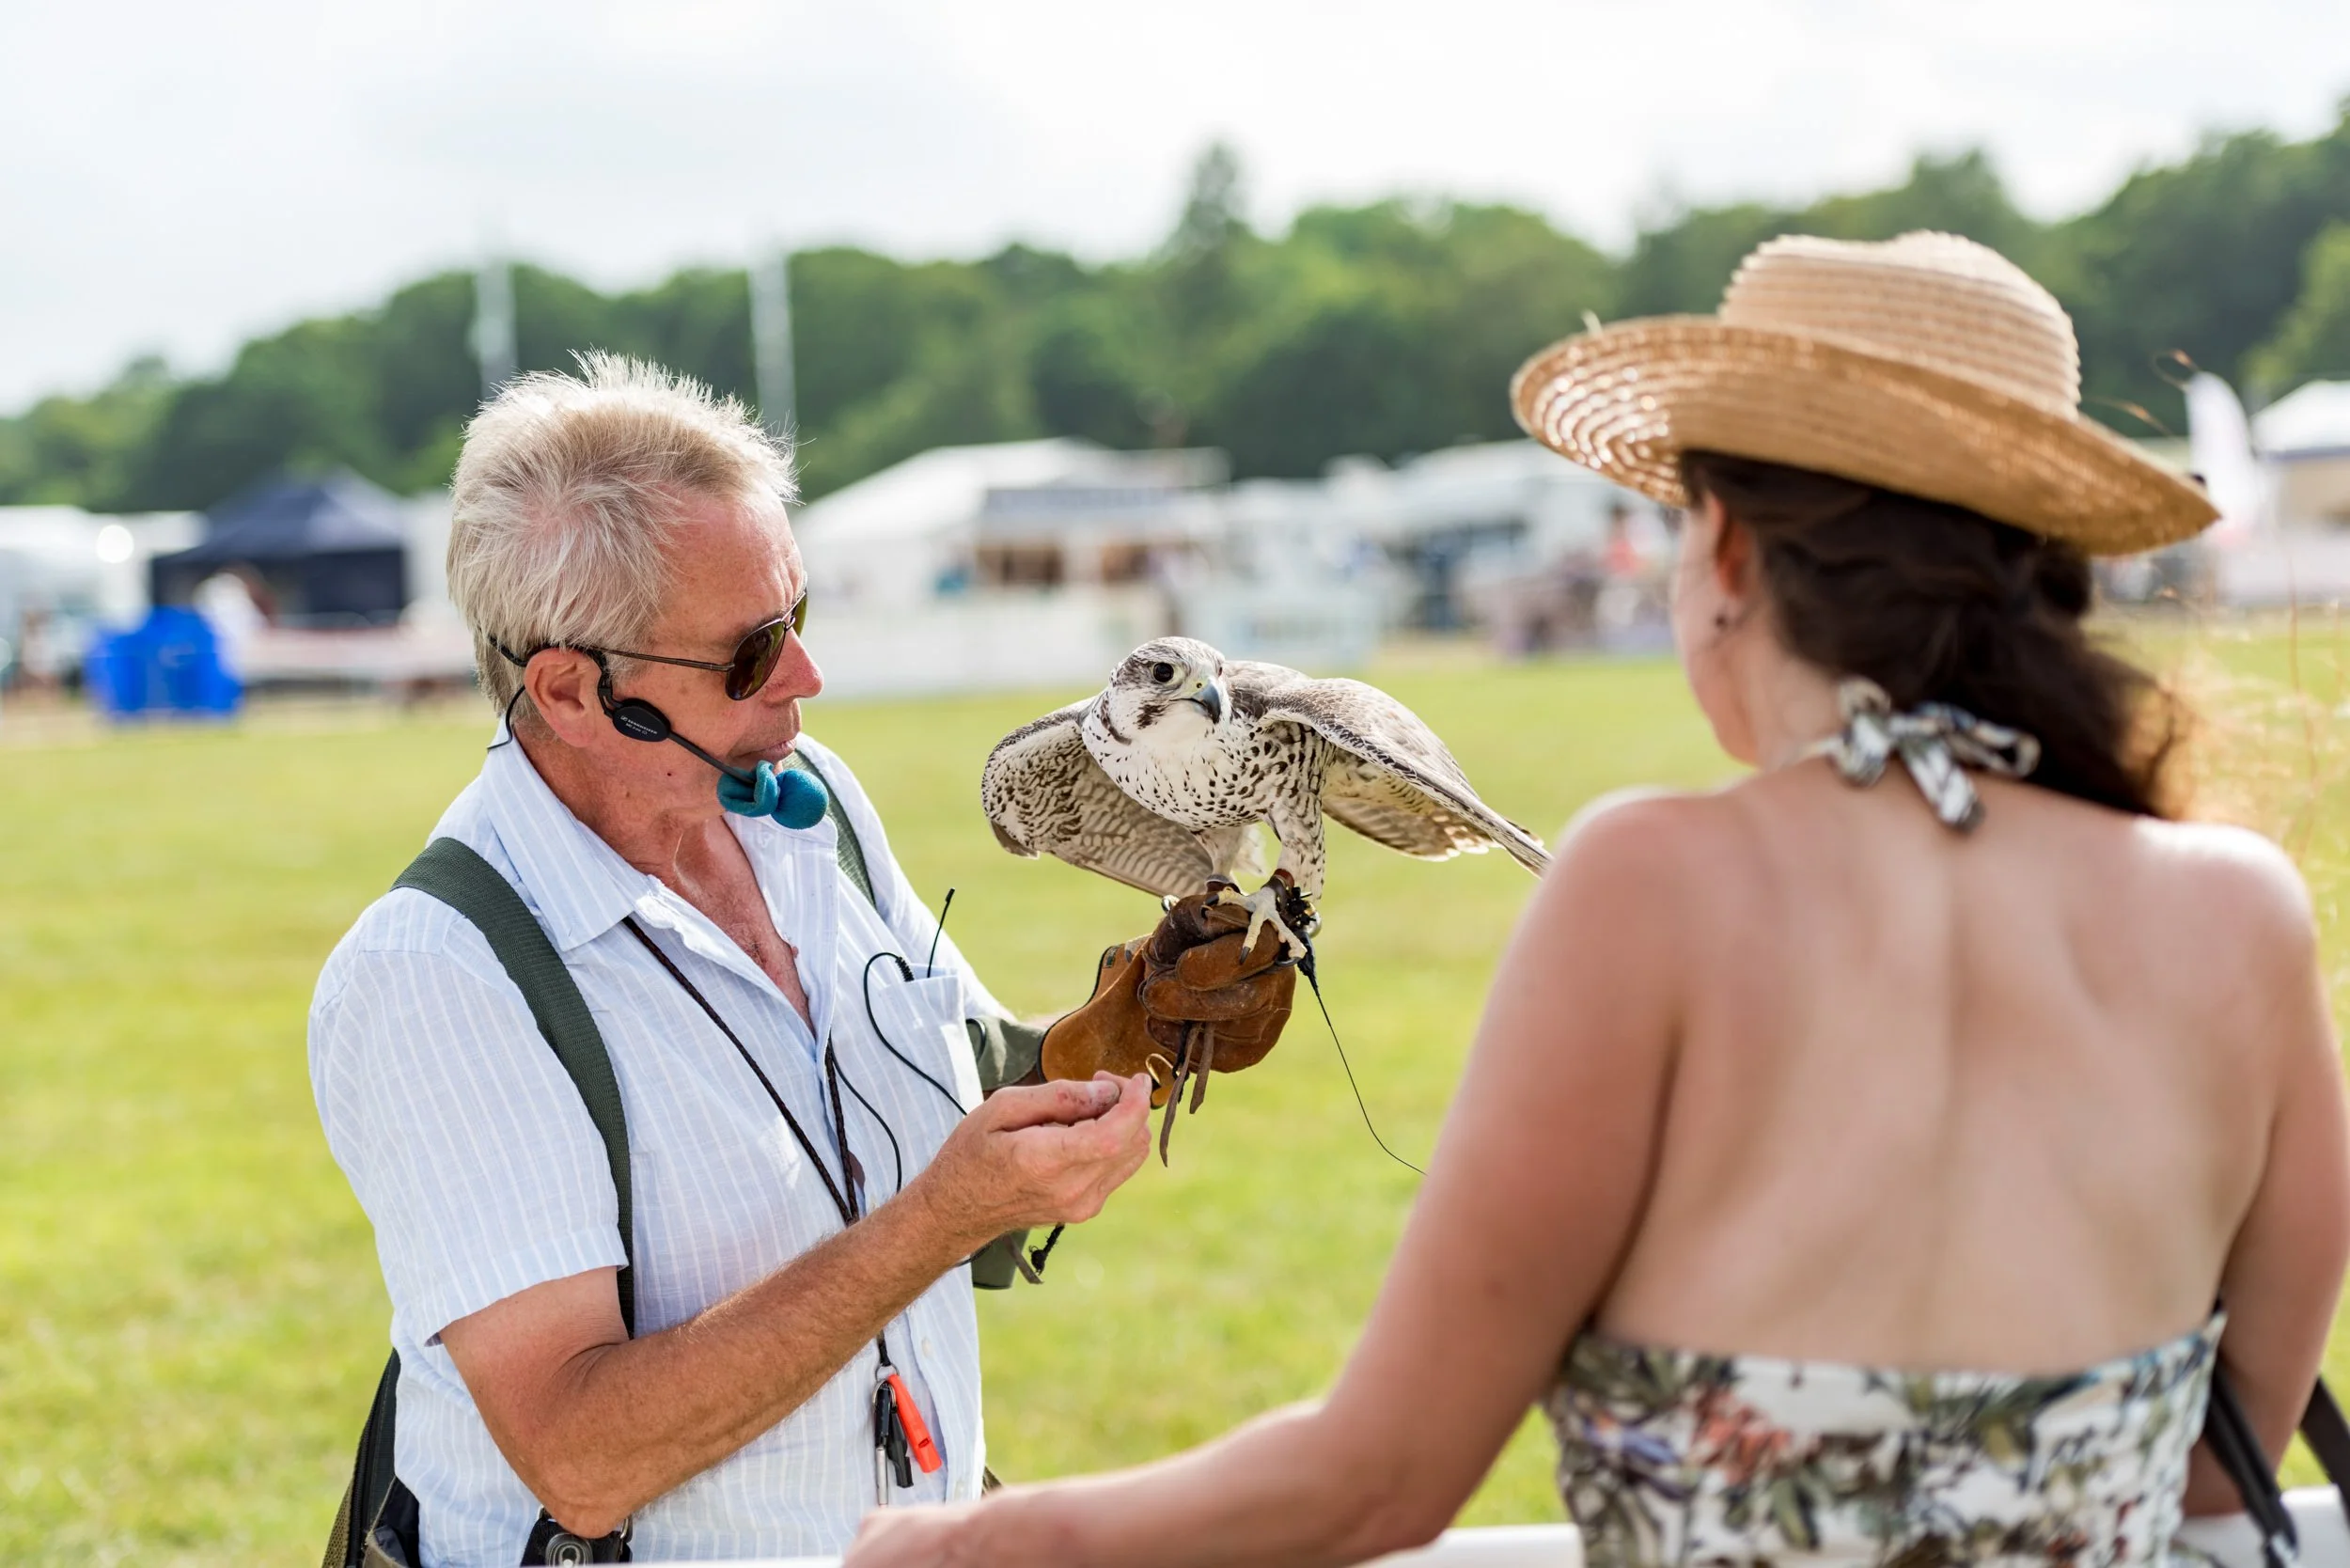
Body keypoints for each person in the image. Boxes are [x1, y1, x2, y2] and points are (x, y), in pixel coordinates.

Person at [847, 232, 2350, 1568]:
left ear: (1730, 553)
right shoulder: (2240, 914)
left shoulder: (1652, 883)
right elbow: (2221, 1498)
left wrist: (998, 1538)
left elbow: (1382, 1476)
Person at [307, 354, 1294, 1566]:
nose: (806, 678)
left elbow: (952, 1092)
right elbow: (579, 1456)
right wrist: (937, 1221)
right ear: (570, 691)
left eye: (802, 617)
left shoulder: (811, 807)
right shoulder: (438, 973)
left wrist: (1131, 1025)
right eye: (749, 650)